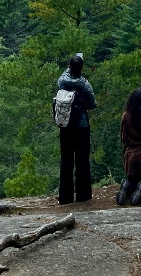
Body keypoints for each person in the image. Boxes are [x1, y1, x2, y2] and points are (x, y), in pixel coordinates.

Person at [57, 53, 97, 205]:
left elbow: (63, 76)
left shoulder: (62, 81)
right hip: (82, 127)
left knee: (66, 160)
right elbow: (92, 105)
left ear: (69, 67)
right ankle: (83, 195)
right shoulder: (85, 85)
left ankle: (65, 197)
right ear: (82, 68)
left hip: (65, 126)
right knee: (82, 161)